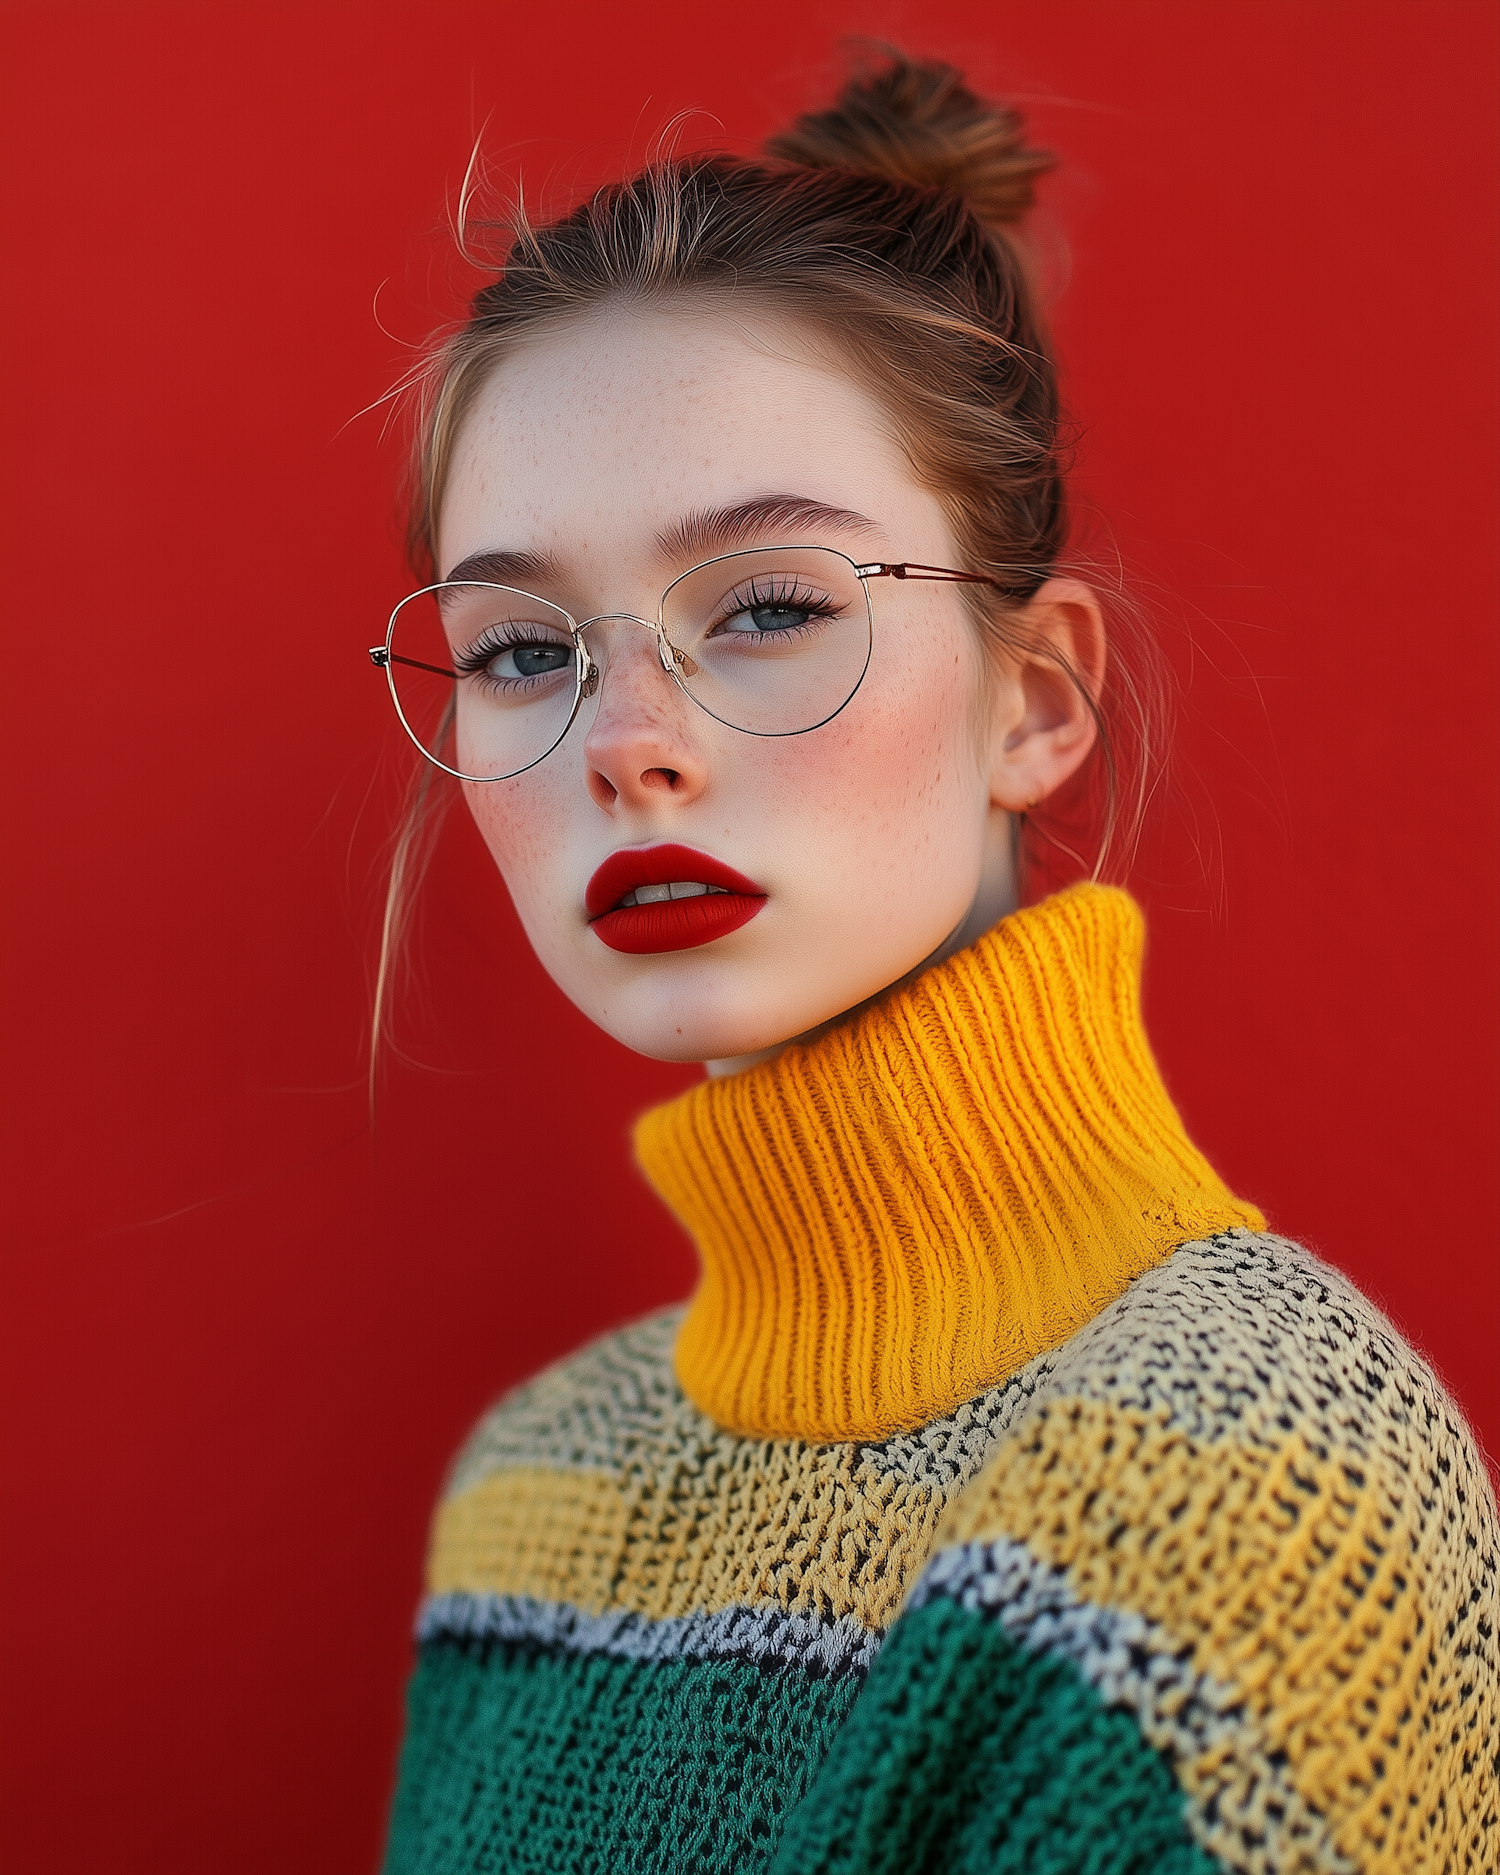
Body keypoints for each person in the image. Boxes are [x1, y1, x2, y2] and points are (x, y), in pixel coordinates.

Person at [369, 50, 1497, 1875]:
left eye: (768, 609)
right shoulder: (533, 1491)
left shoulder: (1250, 1472)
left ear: (1033, 703)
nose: (624, 739)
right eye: (518, 648)